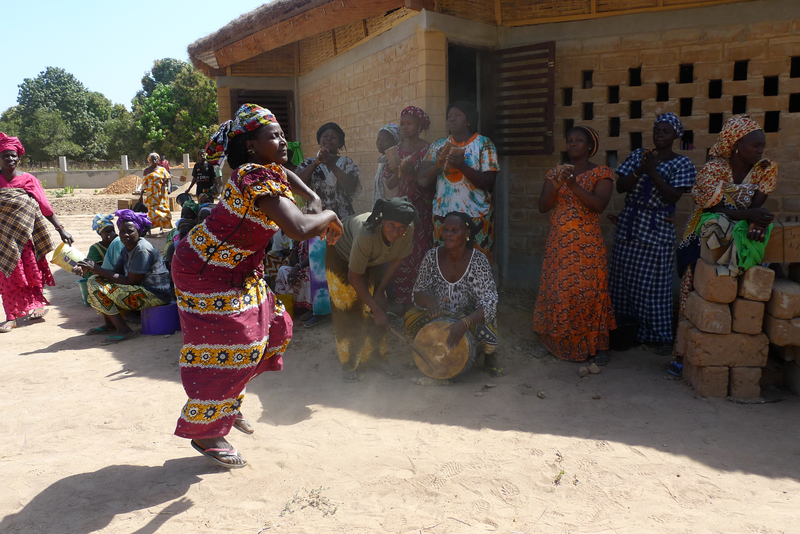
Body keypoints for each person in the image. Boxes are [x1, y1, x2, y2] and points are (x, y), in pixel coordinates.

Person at [172, 104, 342, 468]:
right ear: (251, 145)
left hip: (239, 268)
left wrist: (313, 198)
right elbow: (298, 228)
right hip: (204, 269)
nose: (282, 141)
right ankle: (207, 432)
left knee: (277, 327)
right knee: (238, 346)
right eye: (273, 136)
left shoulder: (268, 169)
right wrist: (330, 214)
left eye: (282, 134)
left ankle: (227, 402)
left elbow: (287, 174)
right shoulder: (252, 177)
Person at [609, 113, 697, 355]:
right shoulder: (639, 155)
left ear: (676, 135)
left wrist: (653, 172)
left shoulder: (682, 163)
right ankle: (627, 332)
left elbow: (673, 196)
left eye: (666, 131)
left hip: (657, 226)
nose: (660, 135)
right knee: (623, 280)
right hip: (630, 224)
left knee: (656, 284)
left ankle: (658, 335)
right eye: (657, 130)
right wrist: (641, 168)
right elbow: (620, 187)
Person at [532, 126, 616, 364]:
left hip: (587, 246)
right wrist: (557, 184)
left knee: (588, 292)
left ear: (590, 146)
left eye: (579, 140)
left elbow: (599, 205)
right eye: (570, 140)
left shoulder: (602, 173)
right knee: (558, 290)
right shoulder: (555, 173)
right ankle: (553, 340)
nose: (573, 144)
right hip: (559, 244)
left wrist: (573, 185)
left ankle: (596, 344)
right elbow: (543, 206)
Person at [677, 114, 777, 312]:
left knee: (764, 255)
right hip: (708, 225)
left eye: (763, 146)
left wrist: (757, 220)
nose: (761, 150)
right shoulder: (714, 170)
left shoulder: (764, 169)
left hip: (741, 223)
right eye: (756, 145)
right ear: (737, 144)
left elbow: (754, 208)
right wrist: (750, 216)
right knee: (701, 270)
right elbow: (714, 209)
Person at [326, 197, 417, 381]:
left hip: (373, 258)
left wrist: (380, 292)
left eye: (401, 228)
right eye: (391, 225)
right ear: (382, 221)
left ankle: (376, 358)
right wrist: (374, 308)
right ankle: (350, 364)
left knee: (379, 305)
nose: (396, 232)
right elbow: (354, 277)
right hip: (341, 256)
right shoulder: (366, 235)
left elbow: (396, 261)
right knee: (351, 309)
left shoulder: (408, 230)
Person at [405, 211, 501, 376]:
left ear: (467, 233)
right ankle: (424, 352)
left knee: (488, 324)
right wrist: (429, 299)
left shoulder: (478, 260)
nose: (448, 234)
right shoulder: (432, 257)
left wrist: (465, 322)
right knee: (410, 319)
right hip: (438, 313)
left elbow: (490, 301)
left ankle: (489, 356)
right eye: (445, 230)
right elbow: (417, 293)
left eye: (454, 230)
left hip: (468, 314)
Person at [0, 133, 73, 333]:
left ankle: (35, 306)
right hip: (3, 242)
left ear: (18, 157)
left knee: (31, 274)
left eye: (14, 155)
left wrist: (61, 229)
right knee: (8, 278)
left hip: (26, 240)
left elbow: (44, 206)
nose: (10, 159)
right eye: (6, 155)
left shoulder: (28, 180)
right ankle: (11, 317)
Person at [296, 122, 361, 327]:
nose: (328, 139)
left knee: (343, 263)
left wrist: (331, 163)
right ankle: (321, 309)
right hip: (317, 221)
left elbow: (350, 186)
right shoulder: (309, 162)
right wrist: (317, 163)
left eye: (333, 137)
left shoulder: (347, 163)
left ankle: (345, 308)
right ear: (319, 141)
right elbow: (296, 184)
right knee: (318, 266)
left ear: (341, 143)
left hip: (343, 221)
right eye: (325, 136)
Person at [77, 210, 172, 345]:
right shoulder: (127, 248)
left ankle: (124, 330)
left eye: (130, 231)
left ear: (139, 231)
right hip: (142, 289)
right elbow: (116, 272)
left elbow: (131, 281)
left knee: (97, 285)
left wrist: (97, 269)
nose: (124, 235)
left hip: (157, 295)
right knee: (95, 281)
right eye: (121, 231)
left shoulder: (142, 249)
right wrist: (92, 270)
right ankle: (110, 325)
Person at [419, 101, 499, 263]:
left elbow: (489, 183)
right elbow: (422, 180)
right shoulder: (438, 146)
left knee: (476, 264)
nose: (452, 119)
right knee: (445, 263)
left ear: (469, 119)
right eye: (449, 116)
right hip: (444, 216)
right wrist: (437, 165)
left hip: (476, 216)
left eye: (457, 115)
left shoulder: (484, 144)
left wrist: (462, 166)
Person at [384, 106, 434, 313]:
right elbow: (389, 183)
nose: (405, 127)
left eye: (409, 123)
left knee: (421, 255)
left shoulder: (429, 150)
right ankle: (401, 299)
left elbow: (430, 181)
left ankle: (418, 301)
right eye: (402, 123)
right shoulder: (394, 151)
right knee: (401, 254)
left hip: (423, 209)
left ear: (420, 126)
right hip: (402, 211)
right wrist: (398, 171)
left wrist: (413, 172)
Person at [274, 240, 312, 319]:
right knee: (282, 270)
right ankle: (289, 305)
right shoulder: (299, 237)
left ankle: (312, 308)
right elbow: (292, 263)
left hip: (316, 268)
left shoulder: (316, 235)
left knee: (309, 273)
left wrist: (298, 267)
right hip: (301, 268)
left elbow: (315, 256)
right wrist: (295, 246)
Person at [140, 153, 172, 232]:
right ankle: (150, 229)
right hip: (151, 196)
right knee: (152, 212)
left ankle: (162, 228)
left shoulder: (162, 170)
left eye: (155, 159)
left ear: (158, 160)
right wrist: (141, 195)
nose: (154, 161)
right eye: (152, 160)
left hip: (161, 195)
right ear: (149, 161)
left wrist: (169, 188)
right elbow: (144, 184)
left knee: (162, 210)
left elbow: (168, 180)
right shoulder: (147, 171)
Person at [372, 123, 402, 207]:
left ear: (394, 142)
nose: (379, 143)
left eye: (384, 140)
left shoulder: (394, 160)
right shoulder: (382, 161)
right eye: (378, 139)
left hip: (392, 207)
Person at [82, 214, 117, 278]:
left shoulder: (118, 244)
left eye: (113, 231)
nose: (111, 233)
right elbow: (98, 267)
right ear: (100, 233)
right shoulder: (95, 248)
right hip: (99, 275)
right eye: (107, 232)